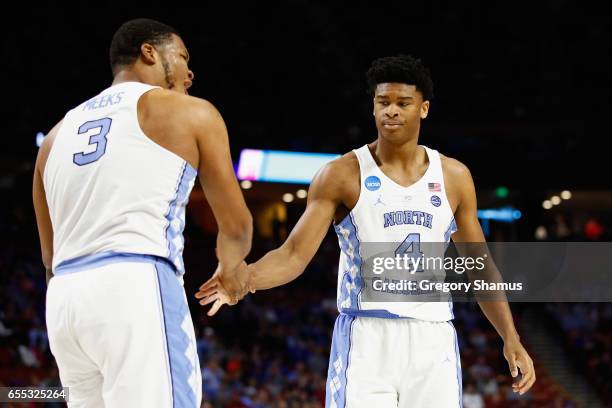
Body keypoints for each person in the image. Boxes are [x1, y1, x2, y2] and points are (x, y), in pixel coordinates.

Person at [197, 55, 535, 407]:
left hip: (433, 339)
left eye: (403, 103)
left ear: (424, 109)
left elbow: (479, 267)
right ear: (373, 108)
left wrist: (510, 336)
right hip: (367, 337)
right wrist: (246, 277)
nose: (391, 111)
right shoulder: (341, 174)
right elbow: (294, 254)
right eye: (382, 102)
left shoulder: (453, 177)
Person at [32, 18, 252, 407]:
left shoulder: (53, 137)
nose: (190, 71)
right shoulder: (191, 112)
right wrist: (231, 272)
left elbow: (49, 257)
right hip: (134, 283)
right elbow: (236, 226)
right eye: (182, 56)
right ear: (149, 52)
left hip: (64, 301)